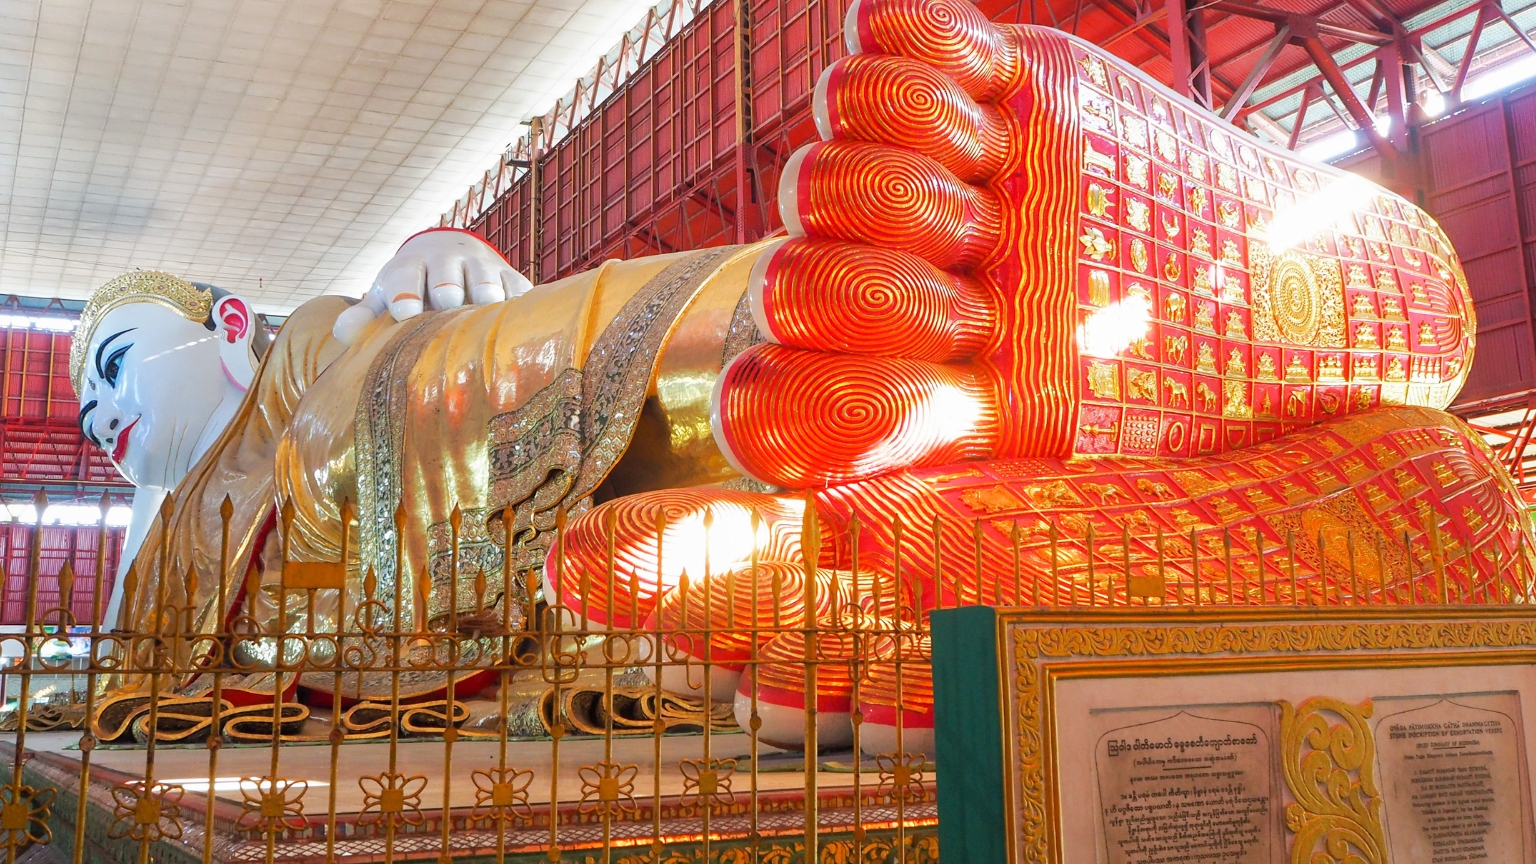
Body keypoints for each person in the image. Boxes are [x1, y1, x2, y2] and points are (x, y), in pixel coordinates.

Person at [75, 0, 1536, 751]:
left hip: (475, 438)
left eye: (116, 366)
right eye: (84, 412)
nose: (103, 419)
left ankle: (939, 334)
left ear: (226, 319)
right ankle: (1000, 525)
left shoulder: (319, 352)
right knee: (681, 574)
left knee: (451, 394)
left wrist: (440, 258)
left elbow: (496, 336)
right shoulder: (163, 583)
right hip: (547, 608)